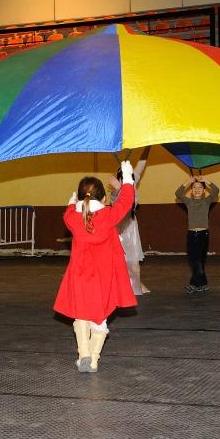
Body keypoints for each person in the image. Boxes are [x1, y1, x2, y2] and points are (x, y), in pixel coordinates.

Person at [54, 161, 137, 373]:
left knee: (80, 314)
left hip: (80, 274)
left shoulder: (71, 217)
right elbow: (126, 202)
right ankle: (93, 360)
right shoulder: (108, 215)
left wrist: (72, 204)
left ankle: (83, 354)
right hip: (103, 275)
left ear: (80, 197)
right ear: (103, 198)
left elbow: (68, 213)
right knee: (99, 316)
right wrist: (127, 178)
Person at [108, 147, 150, 295]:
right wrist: (119, 188)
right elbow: (121, 204)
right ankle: (123, 289)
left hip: (131, 228)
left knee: (134, 264)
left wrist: (148, 146)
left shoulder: (131, 184)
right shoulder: (115, 192)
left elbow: (141, 164)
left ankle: (136, 288)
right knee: (120, 262)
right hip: (120, 229)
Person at [176, 176, 219, 293]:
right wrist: (188, 181)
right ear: (191, 191)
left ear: (204, 191)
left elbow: (216, 191)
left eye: (200, 187)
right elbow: (178, 193)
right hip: (191, 235)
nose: (197, 189)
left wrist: (206, 180)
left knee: (200, 260)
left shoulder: (206, 201)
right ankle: (203, 284)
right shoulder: (189, 202)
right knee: (194, 260)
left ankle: (194, 284)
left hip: (203, 235)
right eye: (194, 187)